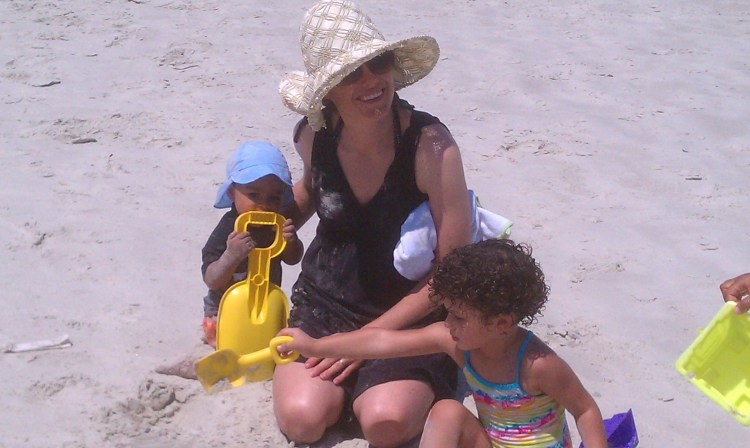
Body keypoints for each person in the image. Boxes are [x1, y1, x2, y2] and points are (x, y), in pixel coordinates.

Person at [275, 1, 473, 446]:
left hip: (410, 310)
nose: (370, 81)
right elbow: (312, 189)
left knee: (386, 423)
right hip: (326, 299)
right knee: (303, 419)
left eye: (378, 63)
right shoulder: (312, 137)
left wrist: (366, 339)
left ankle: (377, 388)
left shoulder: (431, 148)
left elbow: (453, 269)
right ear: (327, 91)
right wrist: (276, 223)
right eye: (350, 74)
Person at [278, 239, 608, 448]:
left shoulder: (537, 365)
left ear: (501, 323)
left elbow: (585, 409)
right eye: (447, 312)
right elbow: (380, 342)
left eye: (459, 317)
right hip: (491, 442)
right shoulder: (455, 343)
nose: (448, 322)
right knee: (447, 411)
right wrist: (316, 346)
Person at [200, 141, 304, 347]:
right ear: (232, 193)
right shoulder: (229, 228)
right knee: (224, 343)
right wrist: (230, 256)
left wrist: (291, 243)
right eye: (254, 195)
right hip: (223, 307)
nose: (263, 204)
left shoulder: (276, 225)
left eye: (273, 198)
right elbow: (211, 280)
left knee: (266, 341)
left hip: (264, 303)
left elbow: (293, 259)